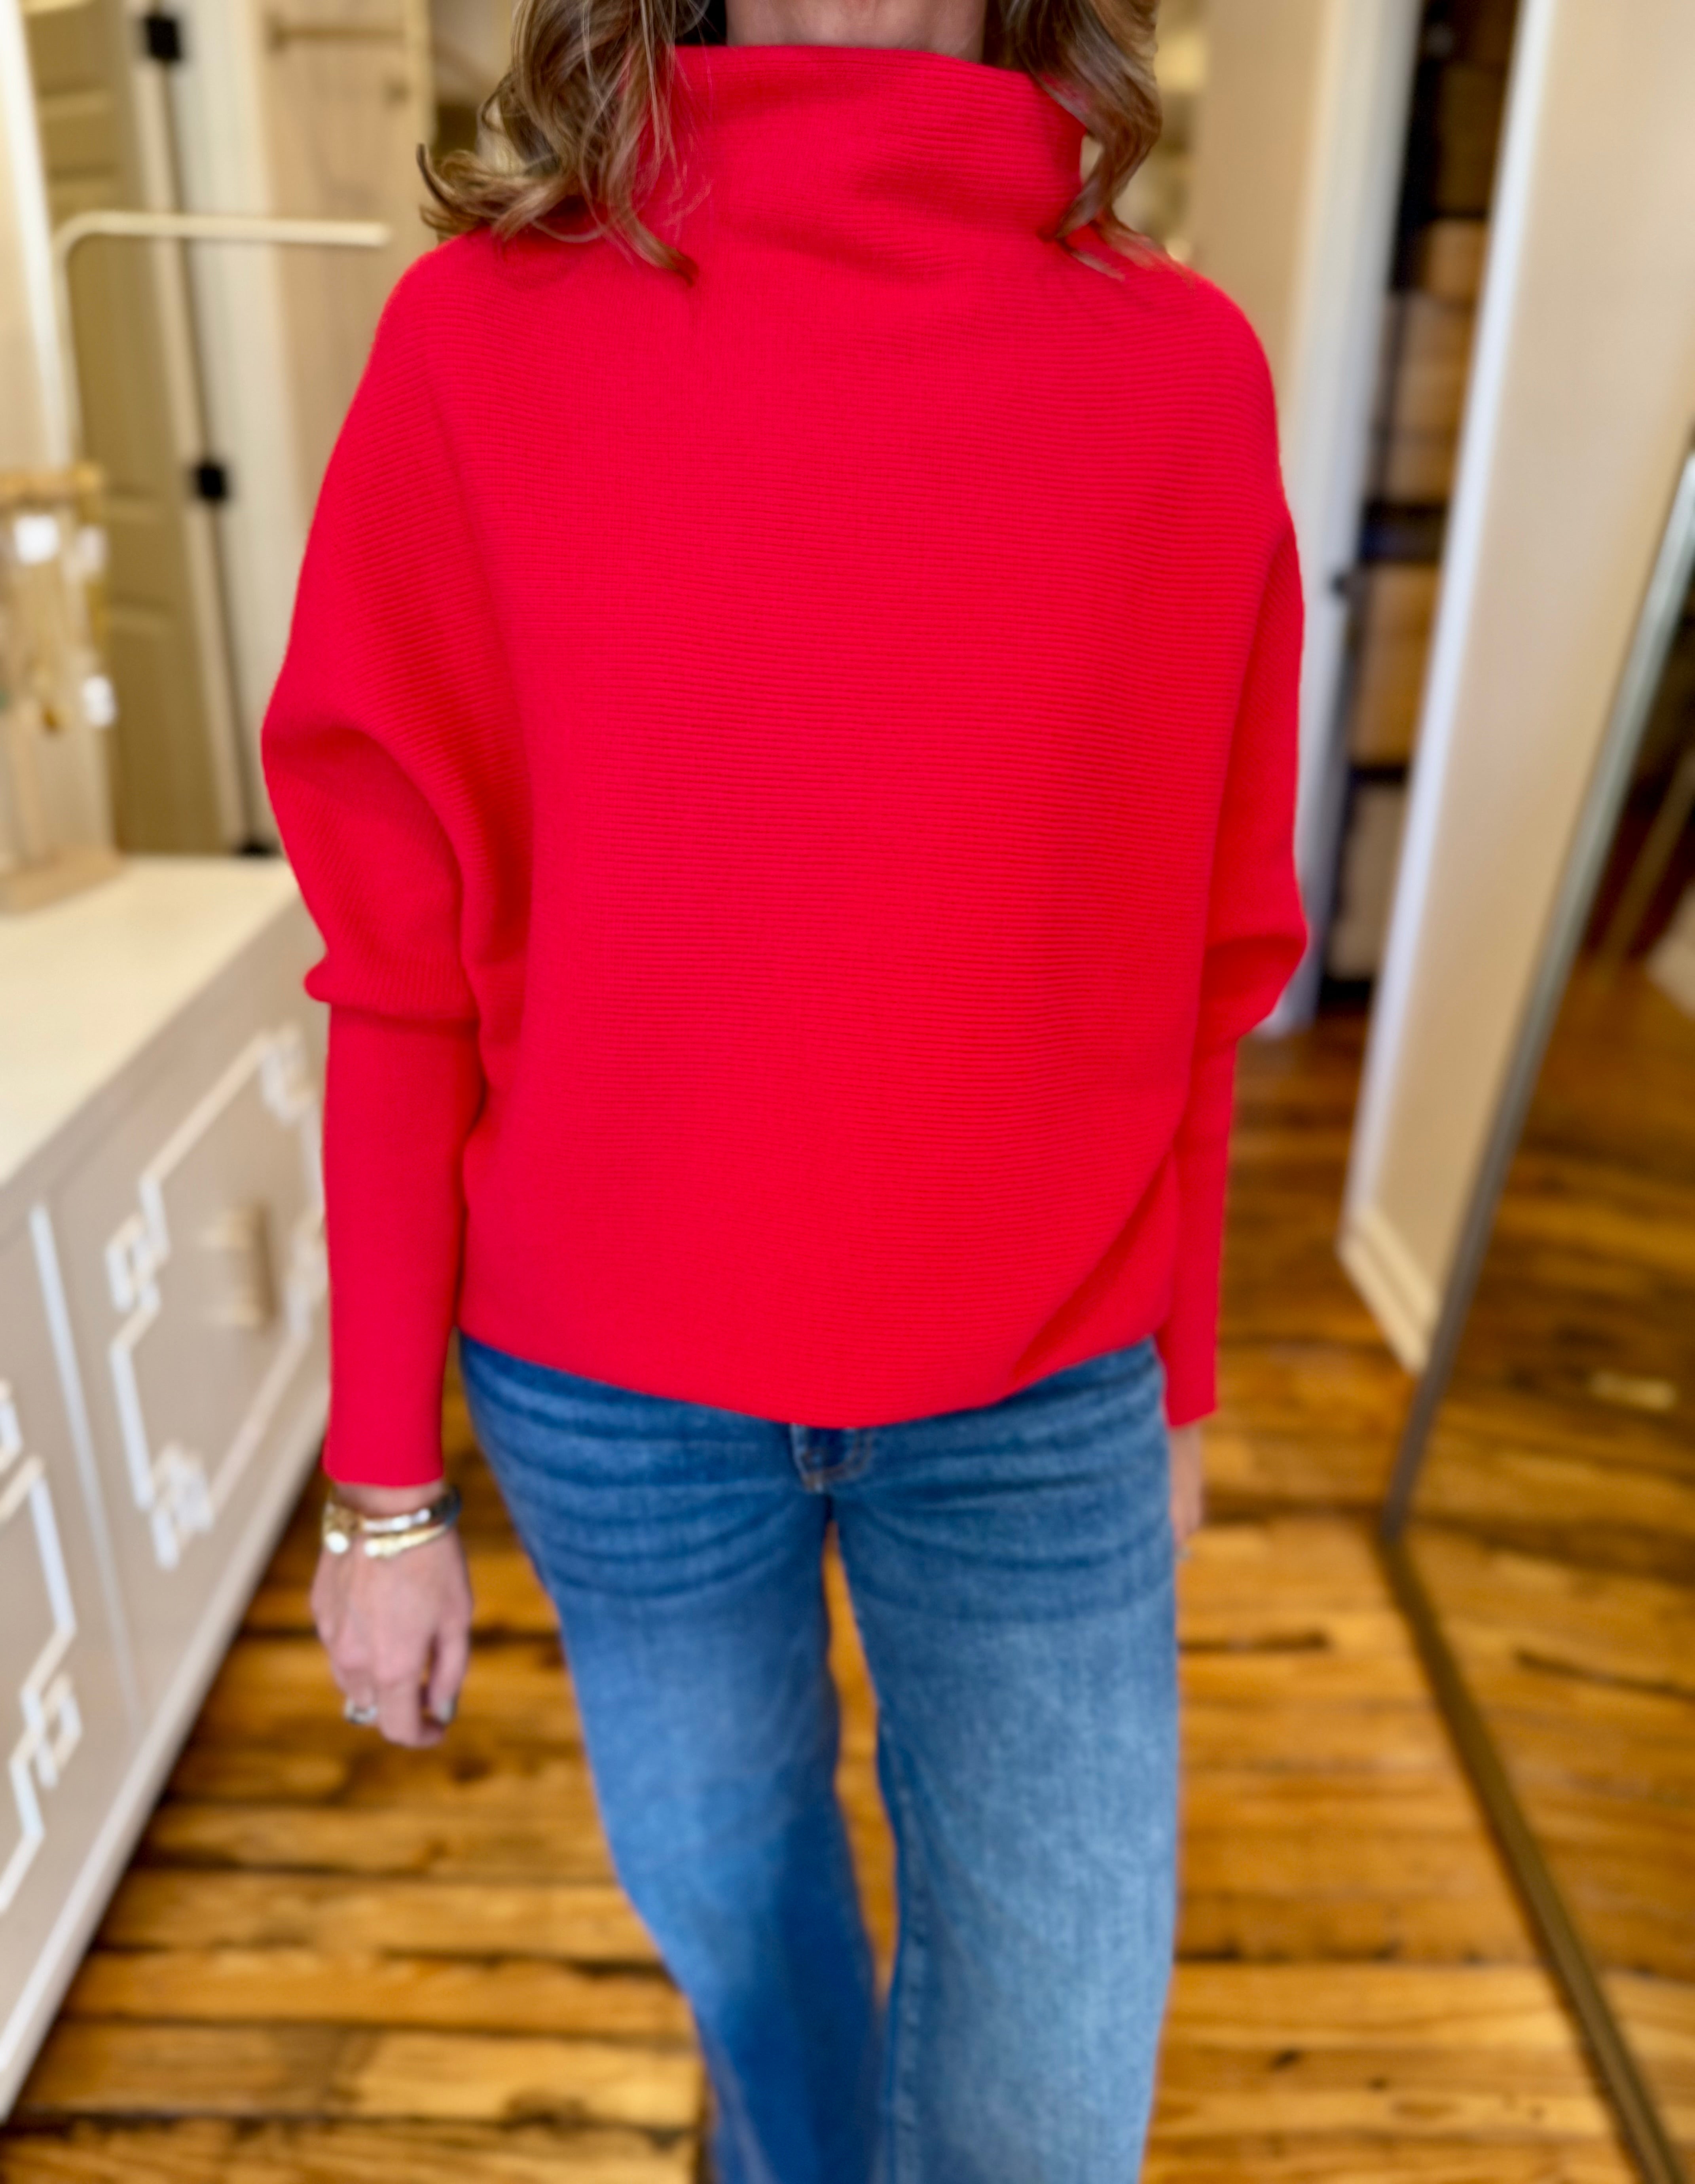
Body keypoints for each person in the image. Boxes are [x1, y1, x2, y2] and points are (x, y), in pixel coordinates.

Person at [262, 0, 1307, 2168]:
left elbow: (1199, 951)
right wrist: (381, 1491)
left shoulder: (1180, 380)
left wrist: (1179, 1380)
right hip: (617, 1399)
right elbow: (399, 970)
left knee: (1050, 2097)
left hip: (1040, 1388)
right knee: (751, 1962)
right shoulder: (474, 351)